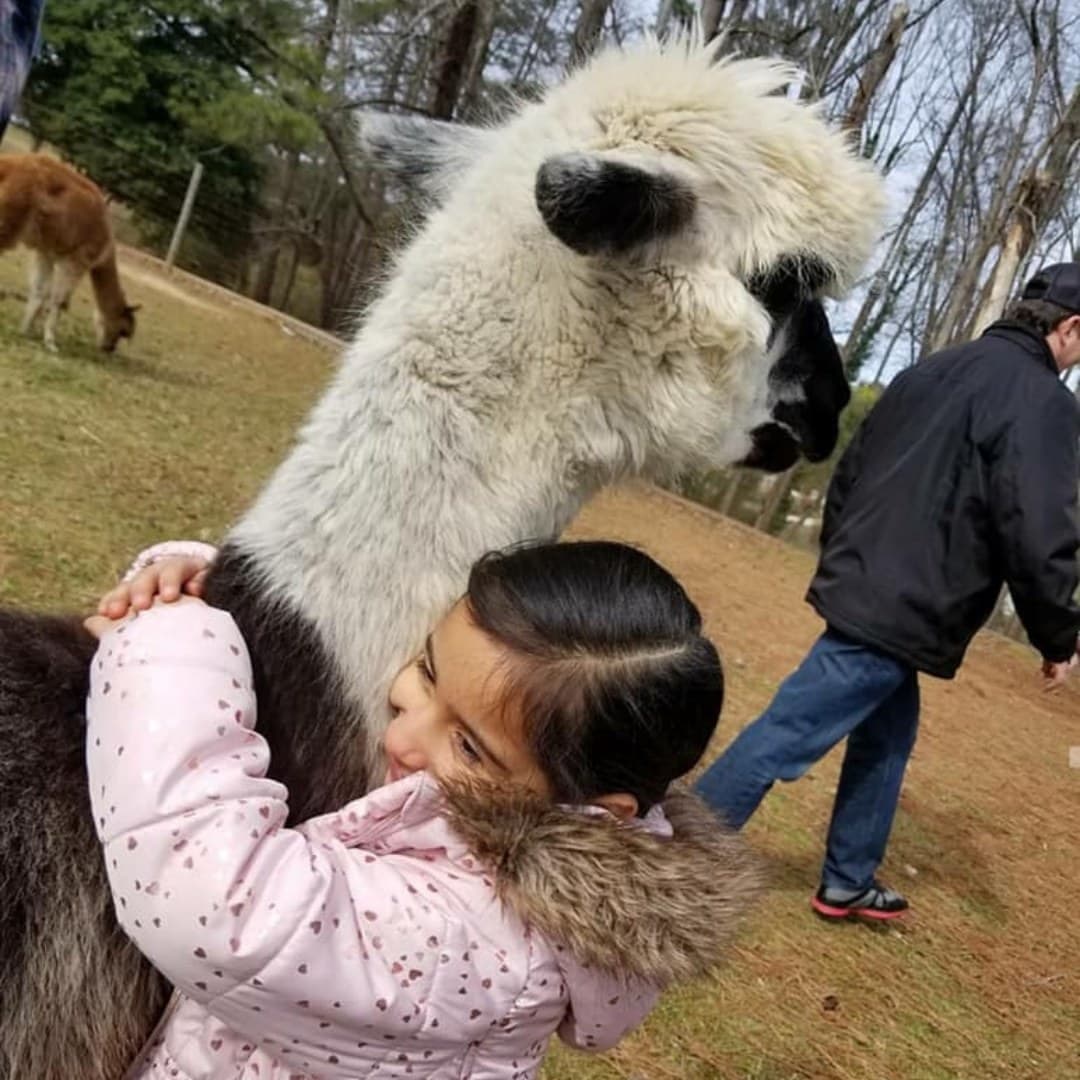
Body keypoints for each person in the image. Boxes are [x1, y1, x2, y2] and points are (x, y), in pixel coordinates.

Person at [85, 539, 760, 1080]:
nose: (402, 736)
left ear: (597, 808)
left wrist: (171, 635)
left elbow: (208, 896)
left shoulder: (485, 942)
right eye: (428, 671)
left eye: (468, 744)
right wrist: (212, 585)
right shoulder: (475, 817)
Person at [695, 262, 1080, 922]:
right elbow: (1039, 524)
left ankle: (848, 877)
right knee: (786, 732)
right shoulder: (1044, 402)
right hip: (908, 602)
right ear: (1070, 328)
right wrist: (1061, 634)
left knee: (887, 737)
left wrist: (846, 555)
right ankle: (673, 854)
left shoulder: (931, 369)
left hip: (873, 584)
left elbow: (853, 469)